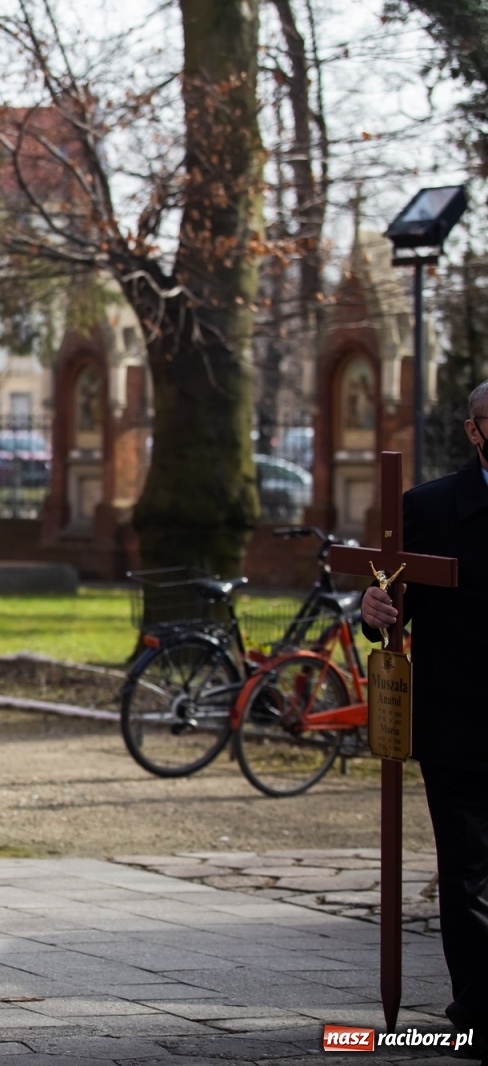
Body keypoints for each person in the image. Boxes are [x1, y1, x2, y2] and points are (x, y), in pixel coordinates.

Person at [361, 380, 488, 1044]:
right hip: (460, 719)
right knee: (466, 870)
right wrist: (376, 608)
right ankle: (476, 1011)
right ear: (475, 430)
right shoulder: (432, 508)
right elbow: (386, 592)